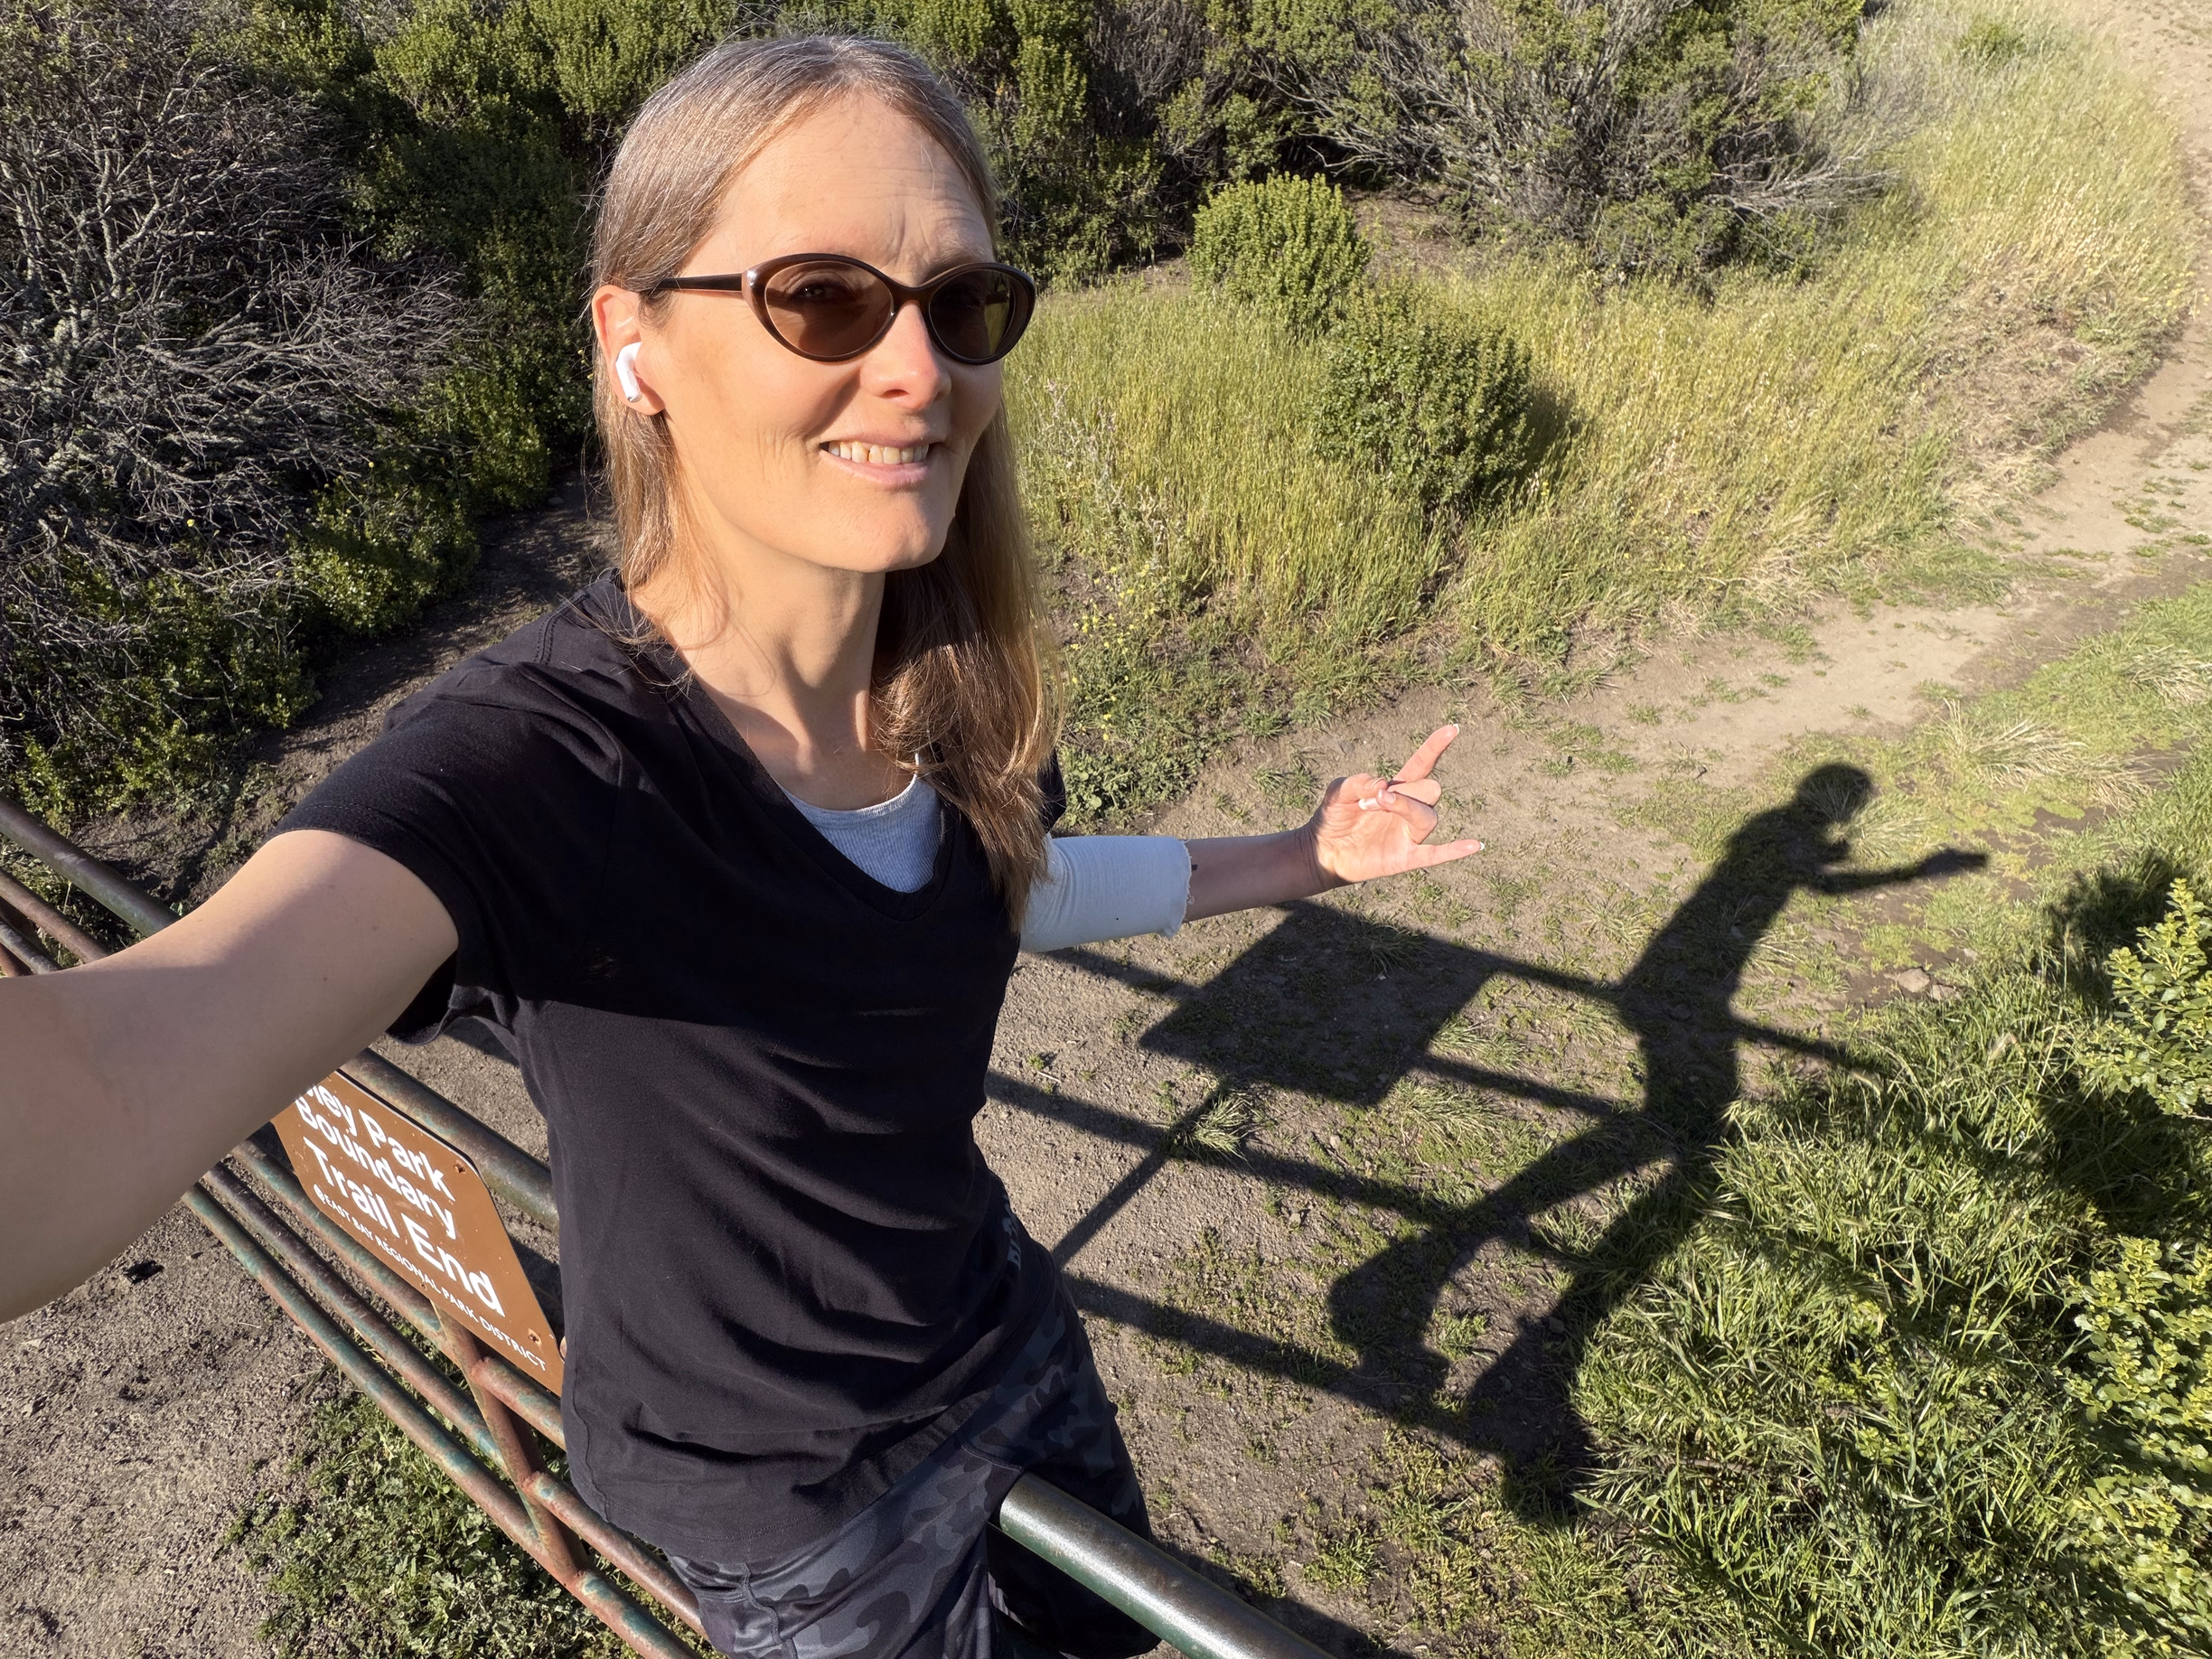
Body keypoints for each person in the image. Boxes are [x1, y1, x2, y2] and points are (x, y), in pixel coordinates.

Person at [0, 34, 1481, 1659]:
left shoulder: (959, 694)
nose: (921, 369)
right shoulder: (531, 774)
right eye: (824, 298)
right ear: (635, 343)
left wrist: (1302, 858)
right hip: (790, 1507)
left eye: (963, 302)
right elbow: (99, 1096)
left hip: (1001, 1341)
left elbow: (996, 897)